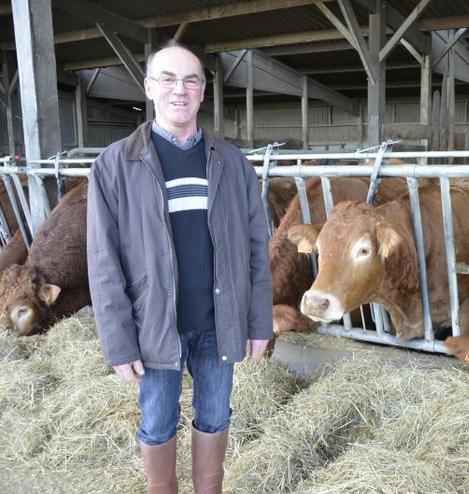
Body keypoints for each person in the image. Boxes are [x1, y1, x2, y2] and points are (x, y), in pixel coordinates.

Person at [87, 41, 272, 494]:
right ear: (149, 88)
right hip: (154, 326)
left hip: (218, 324)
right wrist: (117, 340)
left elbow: (255, 249)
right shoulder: (115, 164)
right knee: (157, 421)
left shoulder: (231, 162)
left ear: (203, 93)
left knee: (215, 416)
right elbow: (103, 261)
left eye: (191, 80)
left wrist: (259, 322)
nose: (180, 89)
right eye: (168, 78)